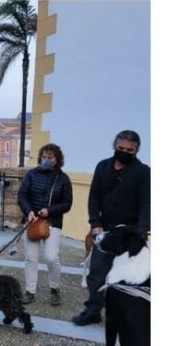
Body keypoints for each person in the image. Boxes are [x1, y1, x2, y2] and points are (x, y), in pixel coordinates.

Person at [72, 130, 151, 325]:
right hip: (105, 231)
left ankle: (126, 316)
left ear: (136, 150)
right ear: (114, 146)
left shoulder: (142, 171)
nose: (124, 152)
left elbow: (147, 203)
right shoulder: (103, 166)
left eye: (129, 150)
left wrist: (140, 231)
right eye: (121, 148)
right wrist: (95, 224)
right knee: (96, 272)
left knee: (129, 276)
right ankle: (93, 310)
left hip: (130, 233)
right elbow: (94, 198)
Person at [17, 144, 73, 306]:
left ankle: (55, 288)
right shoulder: (31, 174)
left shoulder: (63, 178)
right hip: (32, 221)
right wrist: (29, 212)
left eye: (50, 157)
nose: (46, 160)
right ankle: (30, 291)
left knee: (51, 257)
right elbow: (22, 195)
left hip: (52, 222)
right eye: (44, 156)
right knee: (31, 258)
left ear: (57, 160)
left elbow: (67, 203)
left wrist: (49, 211)